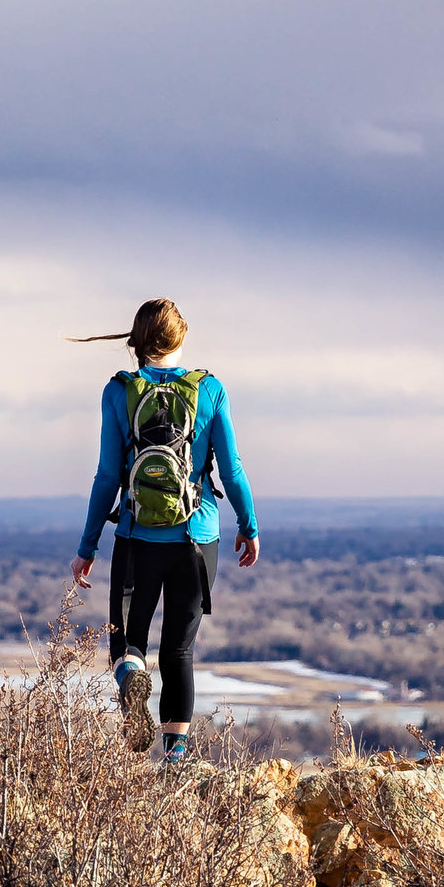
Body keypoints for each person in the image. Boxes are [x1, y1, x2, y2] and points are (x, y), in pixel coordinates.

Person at [68, 298, 260, 759]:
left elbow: (106, 476)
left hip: (136, 539)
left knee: (127, 646)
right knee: (178, 651)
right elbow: (231, 470)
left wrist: (87, 545)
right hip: (198, 540)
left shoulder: (118, 392)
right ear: (182, 339)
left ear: (136, 340)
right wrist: (249, 525)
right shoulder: (210, 390)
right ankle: (174, 762)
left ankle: (133, 678)